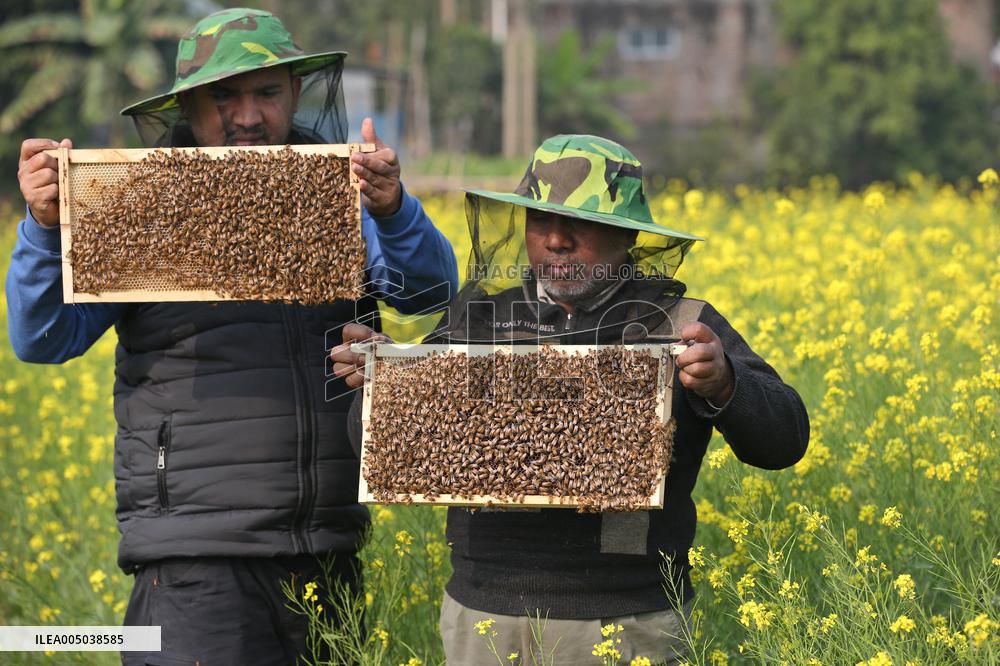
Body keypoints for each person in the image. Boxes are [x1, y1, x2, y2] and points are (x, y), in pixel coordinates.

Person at [7, 8, 458, 665]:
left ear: (295, 94)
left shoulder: (338, 191)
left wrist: (392, 209)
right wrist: (45, 229)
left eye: (266, 92)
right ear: (188, 104)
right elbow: (44, 337)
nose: (247, 115)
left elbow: (427, 294)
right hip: (195, 563)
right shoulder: (141, 202)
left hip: (323, 551)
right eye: (224, 96)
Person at [332, 135, 809, 665]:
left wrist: (724, 383)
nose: (555, 241)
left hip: (624, 619)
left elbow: (785, 438)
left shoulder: (679, 322)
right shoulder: (480, 319)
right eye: (540, 223)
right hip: (485, 614)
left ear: (626, 235)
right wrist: (382, 388)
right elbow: (382, 449)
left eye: (578, 224)